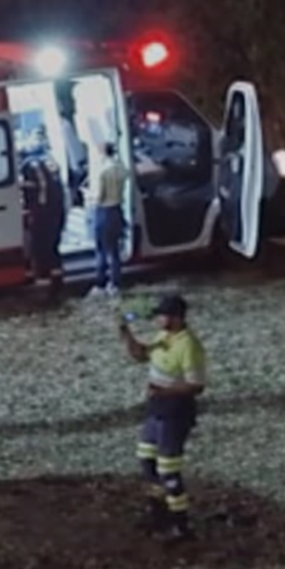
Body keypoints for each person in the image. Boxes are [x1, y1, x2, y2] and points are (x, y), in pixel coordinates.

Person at [118, 293, 206, 542]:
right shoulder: (164, 336)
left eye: (162, 315)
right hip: (156, 408)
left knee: (168, 469)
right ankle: (157, 513)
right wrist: (127, 335)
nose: (157, 319)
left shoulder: (188, 345)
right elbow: (141, 355)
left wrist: (163, 391)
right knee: (147, 460)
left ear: (176, 318)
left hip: (175, 412)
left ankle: (181, 524)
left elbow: (196, 385)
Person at [19, 142, 66, 303]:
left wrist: (32, 210)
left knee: (39, 250)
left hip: (42, 215)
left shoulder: (29, 166)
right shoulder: (48, 162)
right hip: (56, 212)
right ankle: (57, 285)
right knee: (53, 249)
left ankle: (45, 292)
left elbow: (37, 191)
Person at [89, 140, 130, 298]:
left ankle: (100, 283)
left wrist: (90, 197)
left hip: (104, 212)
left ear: (102, 152)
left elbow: (99, 196)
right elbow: (127, 176)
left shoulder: (103, 171)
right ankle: (115, 283)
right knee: (114, 250)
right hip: (117, 210)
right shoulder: (120, 168)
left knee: (101, 249)